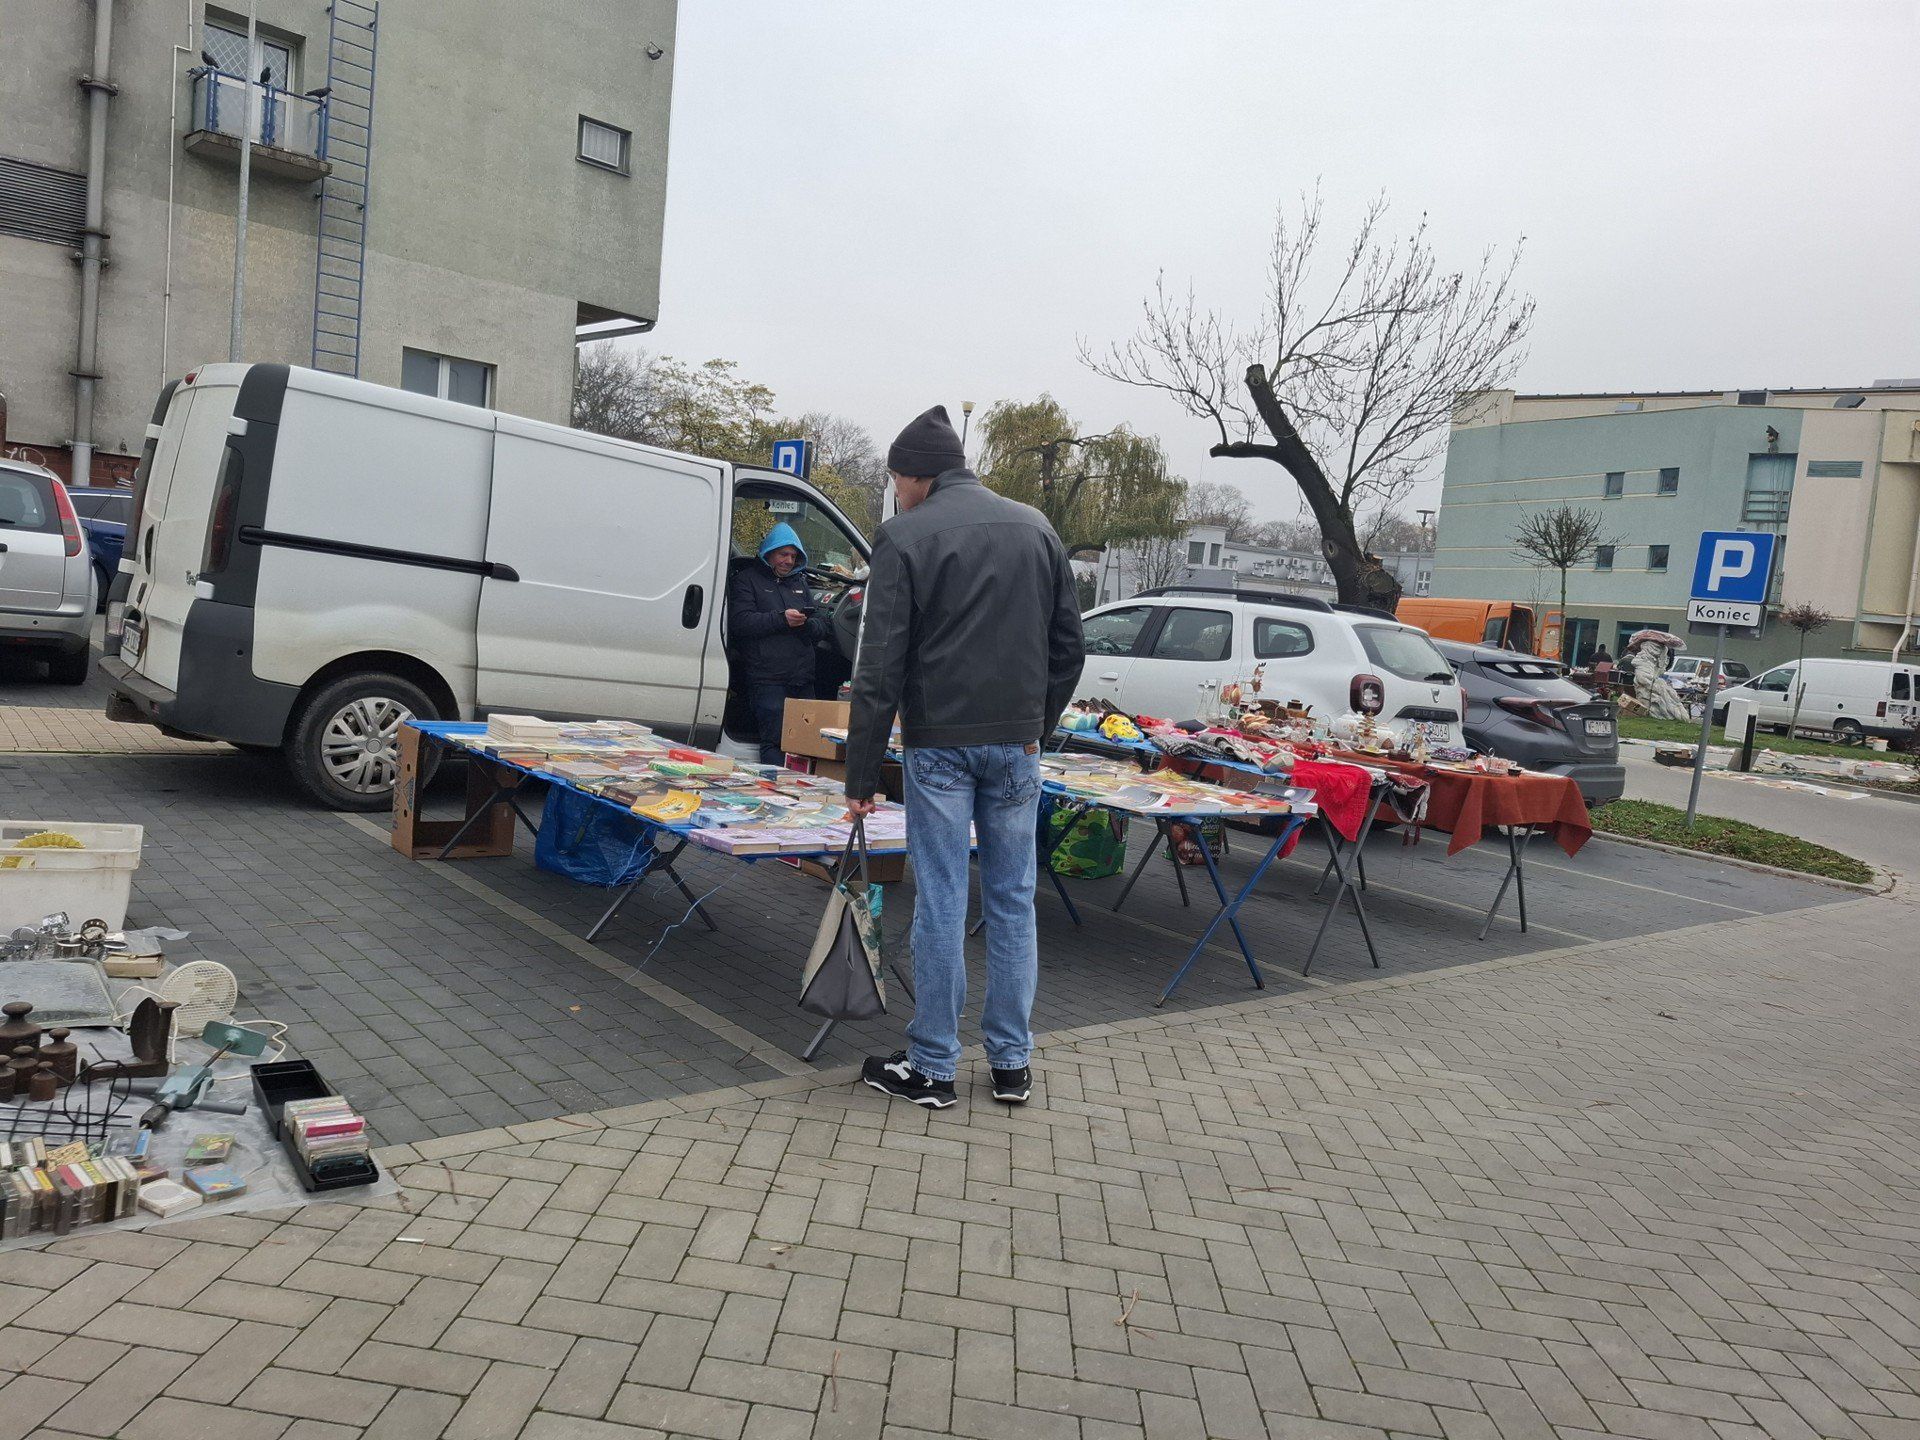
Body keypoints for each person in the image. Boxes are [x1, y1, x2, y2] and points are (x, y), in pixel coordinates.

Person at [845, 406, 1085, 1109]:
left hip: (940, 747)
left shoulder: (904, 536)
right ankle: (1011, 1065)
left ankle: (933, 1067)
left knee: (944, 901)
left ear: (917, 475)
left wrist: (860, 777)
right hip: (1017, 745)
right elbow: (1069, 647)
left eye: (895, 480)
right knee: (1013, 901)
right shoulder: (1036, 527)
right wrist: (1033, 724)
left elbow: (878, 667)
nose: (896, 493)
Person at [727, 522, 828, 766]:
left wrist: (806, 625)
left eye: (794, 556)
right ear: (769, 552)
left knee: (806, 743)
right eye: (783, 554)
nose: (789, 561)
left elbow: (821, 625)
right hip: (768, 679)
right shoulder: (747, 580)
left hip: (802, 679)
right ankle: (775, 795)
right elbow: (740, 623)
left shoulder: (799, 583)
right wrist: (782, 619)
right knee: (775, 742)